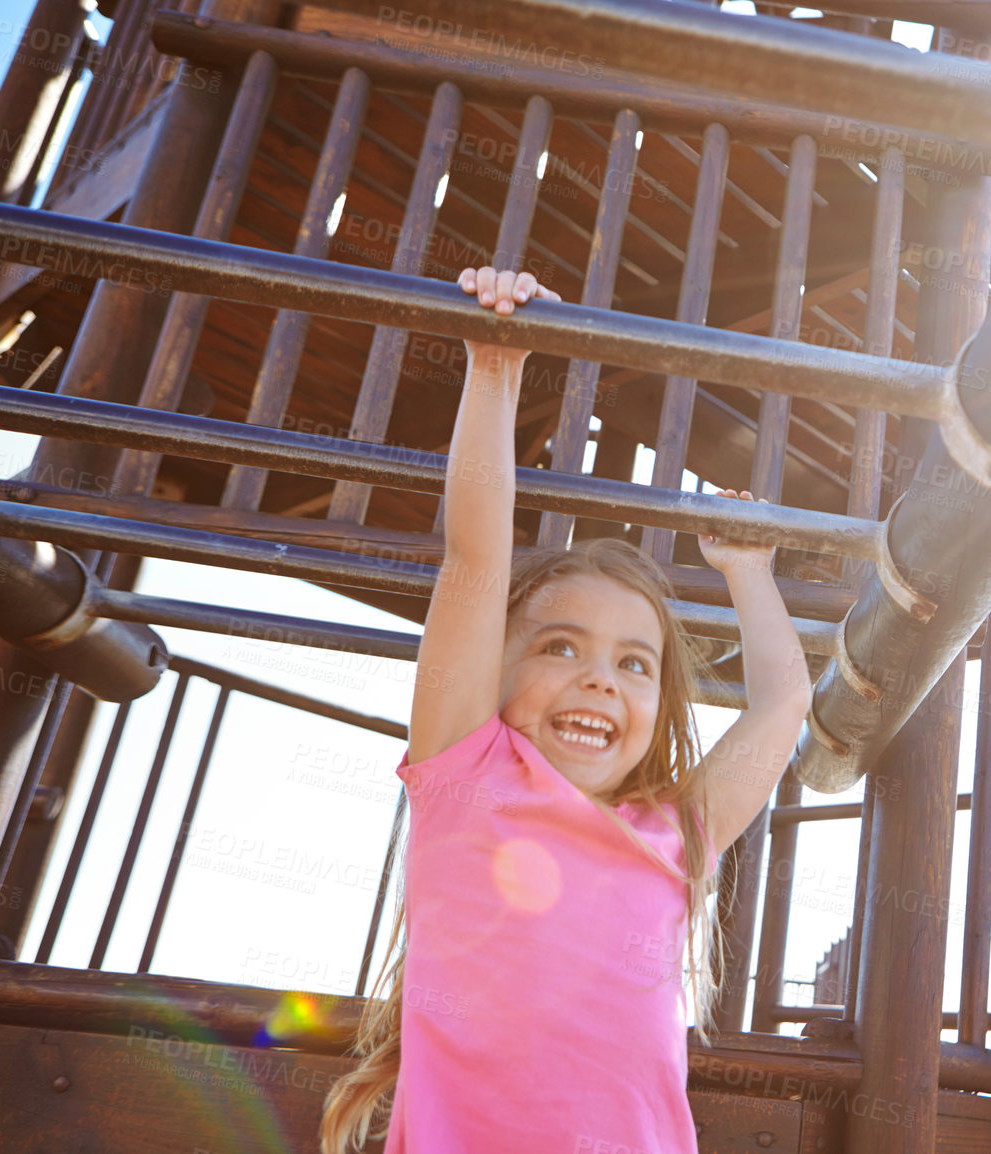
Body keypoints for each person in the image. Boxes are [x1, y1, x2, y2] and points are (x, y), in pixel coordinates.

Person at [319, 266, 814, 1153]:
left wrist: (747, 570)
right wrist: (498, 368)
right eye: (560, 646)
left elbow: (782, 704)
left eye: (634, 664)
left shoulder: (673, 835)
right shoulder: (466, 774)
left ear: (658, 704)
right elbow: (473, 561)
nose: (599, 680)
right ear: (496, 673)